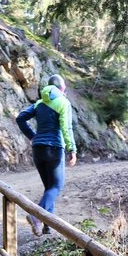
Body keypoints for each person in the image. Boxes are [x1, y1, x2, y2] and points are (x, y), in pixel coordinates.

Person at [15, 74, 77, 236]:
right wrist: (72, 149)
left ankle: (47, 227)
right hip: (54, 149)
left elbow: (20, 118)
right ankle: (36, 216)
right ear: (62, 88)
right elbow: (66, 128)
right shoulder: (63, 103)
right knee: (57, 186)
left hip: (38, 149)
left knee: (49, 187)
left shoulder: (39, 103)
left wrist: (32, 136)